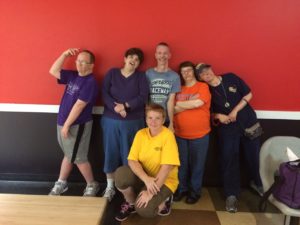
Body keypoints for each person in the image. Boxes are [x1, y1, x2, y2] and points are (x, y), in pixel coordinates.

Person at [196, 63, 263, 213]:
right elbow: (208, 113)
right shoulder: (206, 90)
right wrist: (218, 115)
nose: (207, 73)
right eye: (202, 73)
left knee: (253, 157)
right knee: (229, 159)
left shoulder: (231, 77)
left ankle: (258, 183)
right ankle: (231, 195)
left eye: (207, 70)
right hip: (227, 129)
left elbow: (248, 94)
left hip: (248, 122)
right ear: (200, 78)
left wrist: (235, 111)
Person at [114, 103, 180, 221]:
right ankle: (132, 203)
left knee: (145, 210)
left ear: (163, 119)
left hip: (164, 181)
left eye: (157, 118)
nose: (153, 122)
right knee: (120, 176)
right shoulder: (141, 134)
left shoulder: (168, 136)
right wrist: (146, 179)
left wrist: (150, 194)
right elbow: (132, 160)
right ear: (146, 119)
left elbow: (166, 168)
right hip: (146, 178)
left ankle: (165, 201)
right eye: (150, 118)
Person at [48, 48, 99, 196]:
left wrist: (67, 125)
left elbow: (79, 105)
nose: (79, 64)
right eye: (78, 61)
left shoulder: (91, 82)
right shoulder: (73, 76)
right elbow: (53, 71)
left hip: (77, 125)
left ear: (91, 65)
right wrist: (64, 55)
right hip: (63, 123)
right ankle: (61, 182)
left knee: (79, 157)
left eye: (84, 62)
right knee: (69, 154)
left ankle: (92, 184)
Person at [101, 48, 149, 201]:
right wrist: (116, 107)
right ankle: (110, 187)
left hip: (133, 123)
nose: (133, 60)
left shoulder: (141, 77)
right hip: (111, 121)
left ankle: (127, 189)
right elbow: (104, 93)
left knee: (130, 156)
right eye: (131, 57)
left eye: (137, 59)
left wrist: (125, 106)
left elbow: (143, 97)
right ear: (125, 58)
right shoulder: (112, 73)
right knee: (111, 152)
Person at [173, 61, 211, 204]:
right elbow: (172, 109)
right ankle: (182, 189)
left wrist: (179, 104)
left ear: (194, 72)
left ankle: (195, 192)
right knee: (181, 165)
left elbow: (198, 103)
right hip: (180, 134)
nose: (186, 74)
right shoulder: (178, 89)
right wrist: (185, 105)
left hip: (200, 135)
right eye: (183, 72)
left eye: (189, 70)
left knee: (197, 165)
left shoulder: (203, 86)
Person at [146, 42, 181, 131]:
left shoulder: (175, 76)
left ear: (169, 55)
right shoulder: (148, 73)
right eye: (159, 53)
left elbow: (171, 101)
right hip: (150, 119)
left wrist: (171, 123)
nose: (162, 56)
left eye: (165, 53)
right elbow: (145, 97)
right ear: (156, 55)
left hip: (164, 119)